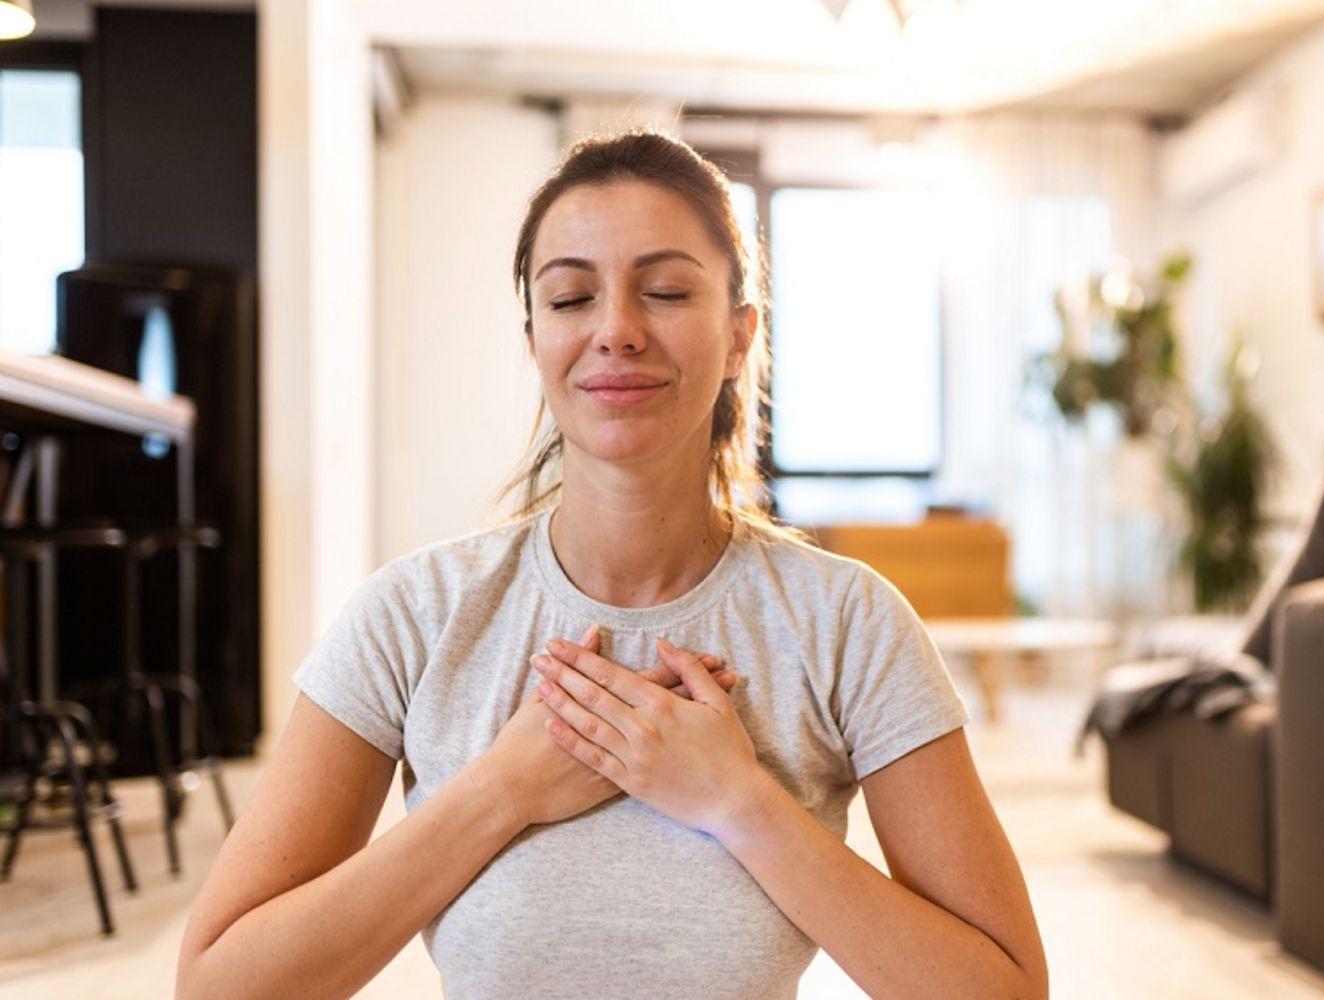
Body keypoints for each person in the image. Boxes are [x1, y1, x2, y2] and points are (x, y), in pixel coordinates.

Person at [177, 130, 1047, 1000]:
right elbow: (218, 987)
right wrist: (502, 792)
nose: (617, 331)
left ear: (741, 336)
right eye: (570, 299)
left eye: (665, 291)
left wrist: (739, 806)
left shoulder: (847, 622)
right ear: (534, 339)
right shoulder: (415, 615)